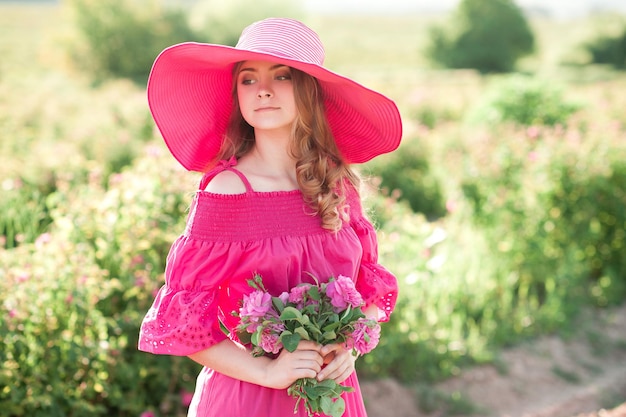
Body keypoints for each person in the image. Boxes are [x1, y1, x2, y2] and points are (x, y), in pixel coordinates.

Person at [138, 17, 402, 417]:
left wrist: (350, 342)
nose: (262, 90)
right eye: (248, 79)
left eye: (281, 76)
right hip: (249, 397)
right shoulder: (227, 191)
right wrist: (268, 372)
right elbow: (187, 327)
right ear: (237, 96)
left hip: (330, 392)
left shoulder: (335, 181)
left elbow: (370, 289)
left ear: (307, 90)